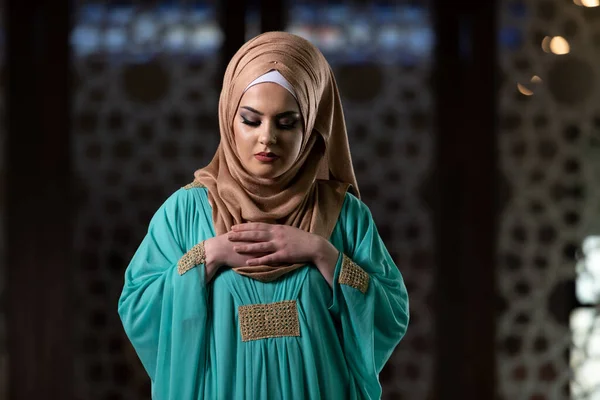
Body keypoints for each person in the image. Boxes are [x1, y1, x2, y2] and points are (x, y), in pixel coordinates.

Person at [118, 31, 409, 400]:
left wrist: (324, 254)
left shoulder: (343, 215)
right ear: (228, 118)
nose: (267, 138)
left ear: (313, 126)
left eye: (287, 123)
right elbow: (139, 307)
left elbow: (391, 312)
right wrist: (207, 256)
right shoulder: (184, 213)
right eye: (251, 120)